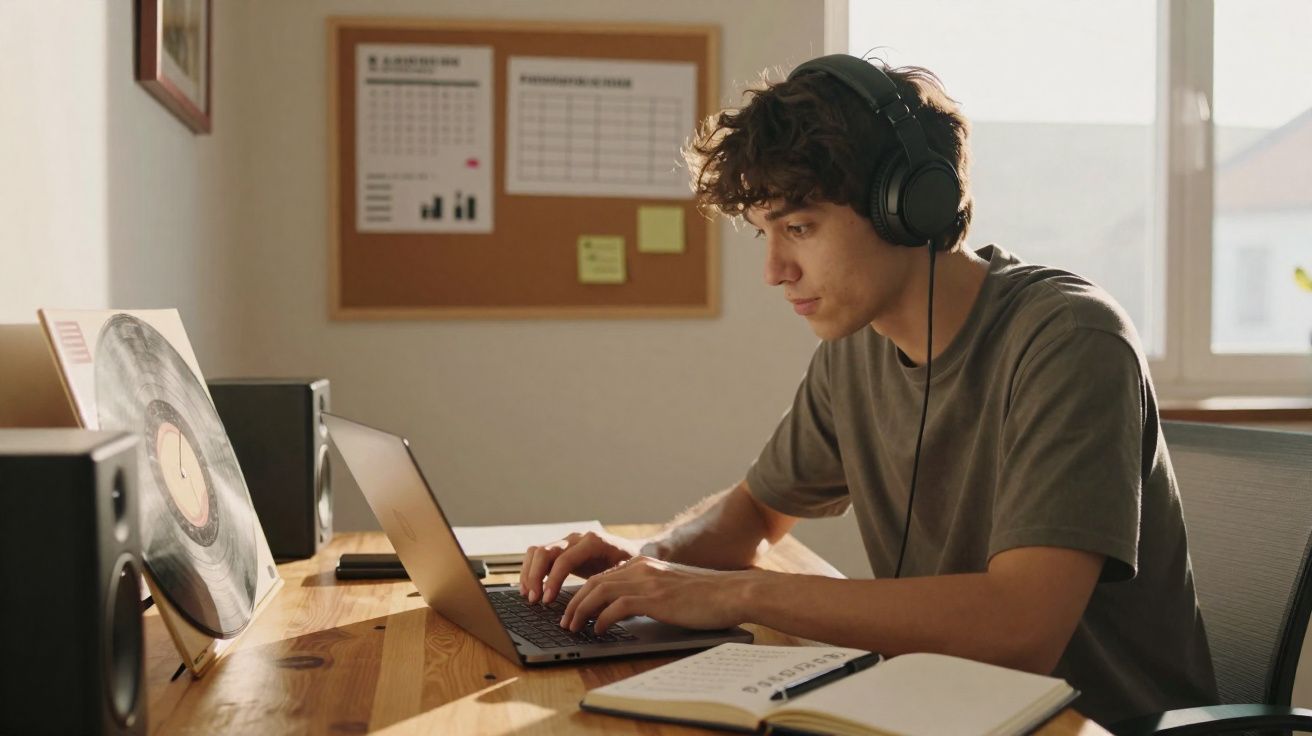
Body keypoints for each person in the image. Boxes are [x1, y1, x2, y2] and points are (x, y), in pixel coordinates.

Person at [518, 53, 1217, 726]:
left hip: (1089, 725)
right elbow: (750, 518)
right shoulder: (857, 347)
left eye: (798, 227)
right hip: (941, 711)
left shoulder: (1069, 339)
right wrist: (648, 563)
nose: (774, 270)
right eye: (765, 233)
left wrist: (735, 592)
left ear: (910, 206)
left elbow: (1020, 628)